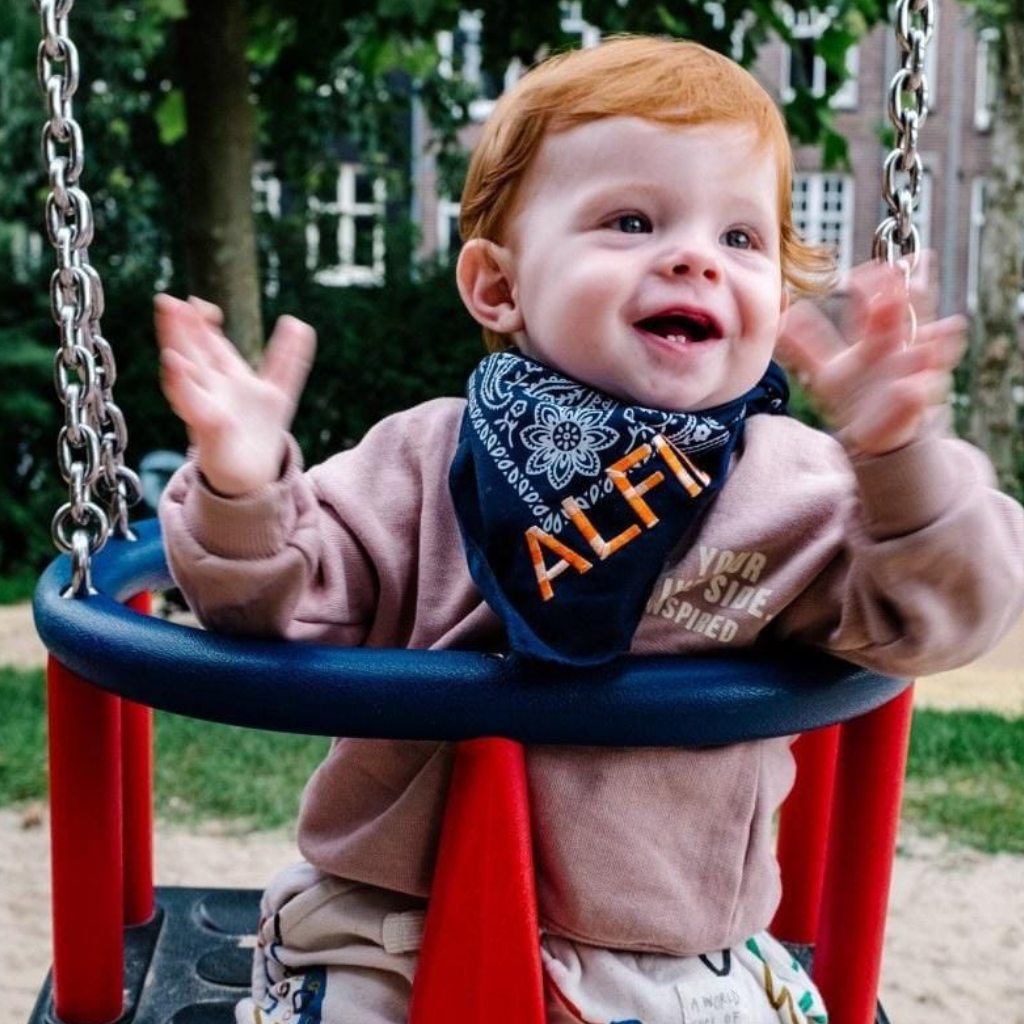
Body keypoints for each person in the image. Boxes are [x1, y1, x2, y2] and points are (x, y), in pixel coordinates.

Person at [156, 35, 1024, 1024]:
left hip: (669, 960)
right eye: (630, 219)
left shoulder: (801, 488)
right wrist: (238, 479)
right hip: (390, 933)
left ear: (777, 301)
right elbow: (264, 600)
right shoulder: (420, 460)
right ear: (498, 286)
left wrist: (897, 461)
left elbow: (944, 613)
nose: (695, 255)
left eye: (741, 239)